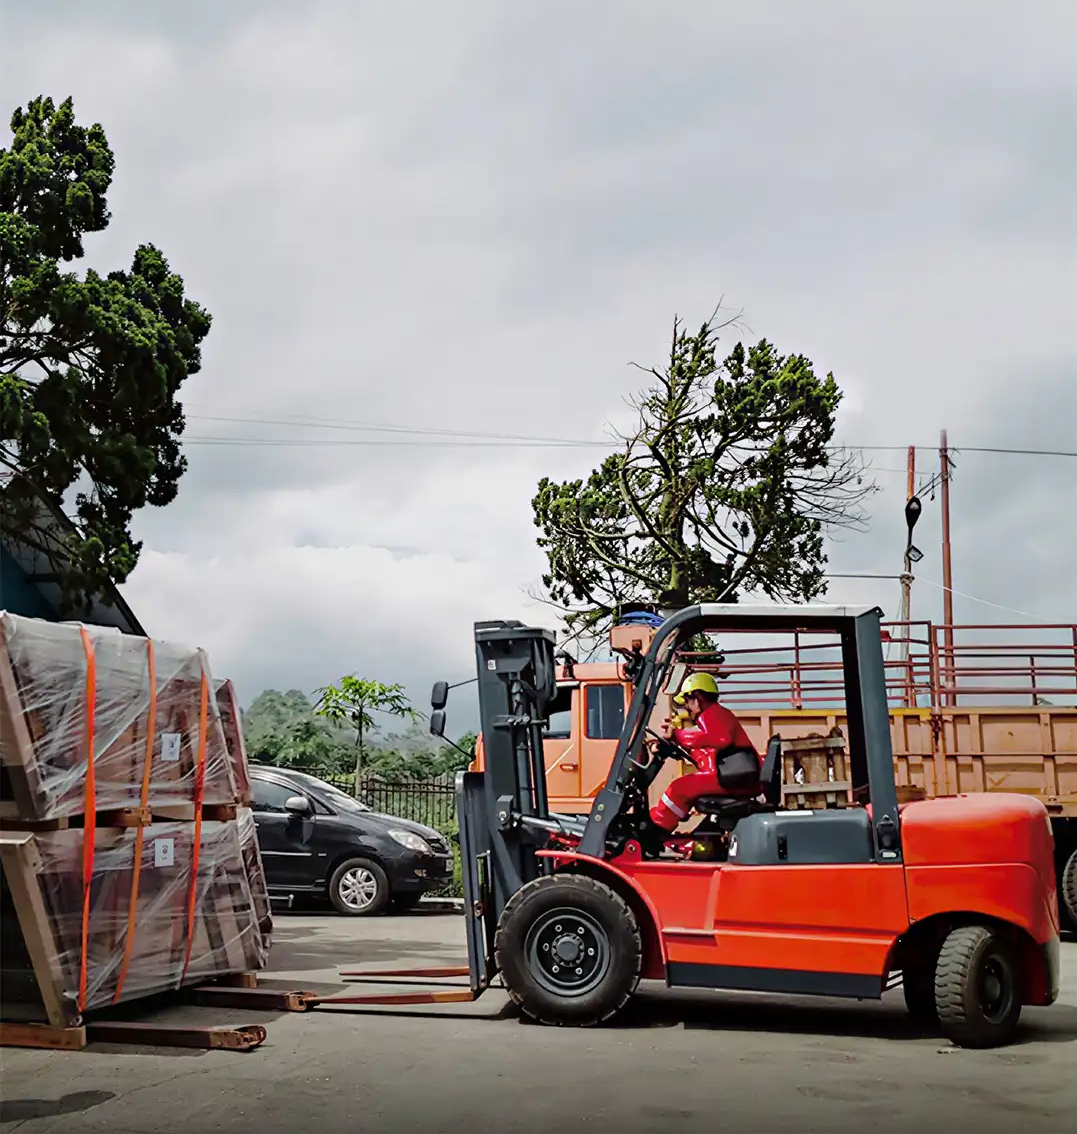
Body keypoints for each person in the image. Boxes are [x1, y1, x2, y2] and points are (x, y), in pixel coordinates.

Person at [648, 672, 762, 833]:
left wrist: (678, 735)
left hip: (734, 778)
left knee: (680, 788)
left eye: (687, 700)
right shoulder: (713, 716)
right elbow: (706, 750)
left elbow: (720, 739)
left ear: (697, 696)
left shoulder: (713, 713)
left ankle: (657, 829)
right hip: (732, 776)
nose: (687, 706)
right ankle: (668, 830)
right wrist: (678, 742)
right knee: (685, 787)